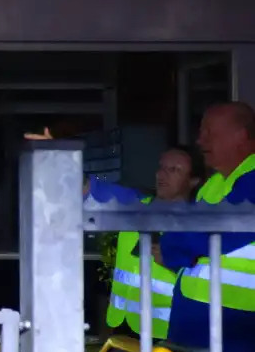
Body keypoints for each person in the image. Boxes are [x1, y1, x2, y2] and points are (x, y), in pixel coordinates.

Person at [26, 129, 203, 339]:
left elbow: (210, 278)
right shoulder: (136, 205)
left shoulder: (199, 223)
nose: (163, 175)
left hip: (165, 333)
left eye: (174, 170)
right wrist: (60, 157)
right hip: (122, 326)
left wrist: (174, 262)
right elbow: (90, 190)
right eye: (162, 167)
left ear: (194, 181)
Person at [158, 102, 255, 352]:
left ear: (241, 136)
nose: (201, 141)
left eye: (210, 133)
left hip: (237, 342)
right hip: (201, 337)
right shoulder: (215, 184)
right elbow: (185, 236)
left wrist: (177, 248)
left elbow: (200, 238)